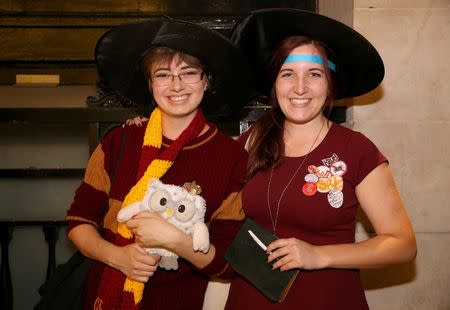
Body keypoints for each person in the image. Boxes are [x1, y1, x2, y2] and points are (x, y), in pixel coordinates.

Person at [125, 8, 417, 310]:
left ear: (330, 84)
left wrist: (320, 255)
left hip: (327, 298)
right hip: (250, 299)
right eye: (287, 74)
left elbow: (403, 244)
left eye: (313, 75)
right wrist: (154, 129)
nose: (299, 88)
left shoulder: (357, 150)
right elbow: (201, 165)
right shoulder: (253, 139)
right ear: (274, 86)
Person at [66, 18, 252, 309]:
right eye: (163, 74)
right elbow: (79, 222)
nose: (176, 85)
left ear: (207, 80)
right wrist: (118, 257)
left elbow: (227, 265)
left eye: (189, 73)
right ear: (150, 83)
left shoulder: (232, 158)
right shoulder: (119, 142)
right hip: (104, 298)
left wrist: (175, 241)